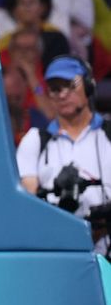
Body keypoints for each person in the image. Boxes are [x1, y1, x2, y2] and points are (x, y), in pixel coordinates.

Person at [16, 56, 111, 254]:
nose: (62, 94)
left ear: (88, 86)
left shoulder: (108, 134)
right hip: (57, 249)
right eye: (55, 89)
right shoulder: (35, 140)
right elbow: (28, 204)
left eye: (69, 85)